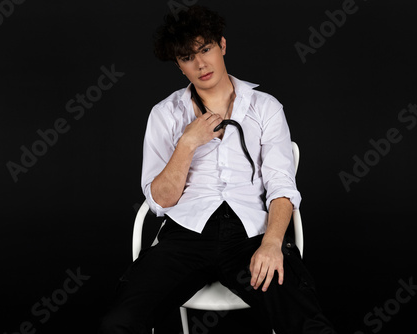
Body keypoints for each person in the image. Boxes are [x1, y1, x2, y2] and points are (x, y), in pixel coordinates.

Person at [99, 5, 337, 334]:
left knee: (307, 323)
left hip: (251, 235)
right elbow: (160, 201)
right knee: (120, 322)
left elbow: (282, 187)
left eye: (206, 49)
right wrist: (187, 144)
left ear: (222, 45)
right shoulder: (165, 114)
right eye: (187, 57)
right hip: (185, 236)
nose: (200, 64)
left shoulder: (265, 107)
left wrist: (271, 244)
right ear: (179, 66)